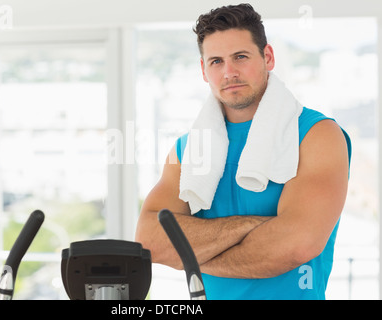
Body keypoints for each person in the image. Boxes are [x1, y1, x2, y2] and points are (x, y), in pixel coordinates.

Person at [135, 3, 351, 300]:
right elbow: (150, 241)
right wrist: (254, 226)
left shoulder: (316, 134)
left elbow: (297, 244)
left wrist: (190, 256)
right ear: (203, 70)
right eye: (216, 61)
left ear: (268, 57)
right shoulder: (187, 149)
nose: (229, 72)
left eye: (240, 57)